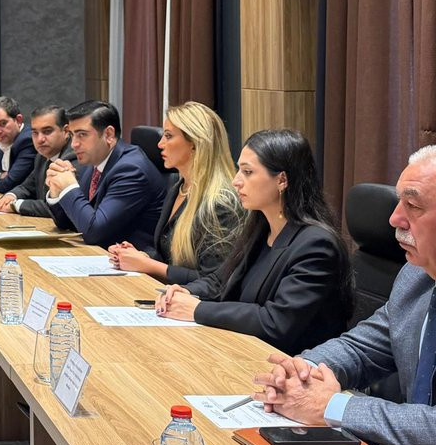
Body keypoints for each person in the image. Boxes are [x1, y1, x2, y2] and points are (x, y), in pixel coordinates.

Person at [251, 145, 436, 445]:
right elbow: (360, 348)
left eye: (413, 205)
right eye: (398, 202)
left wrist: (334, 407)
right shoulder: (415, 277)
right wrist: (302, 372)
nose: (394, 218)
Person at [156, 128, 354, 353]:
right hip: (247, 350)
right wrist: (184, 292)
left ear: (282, 180)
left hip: (292, 363)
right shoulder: (261, 226)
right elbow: (221, 281)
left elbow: (275, 322)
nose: (236, 181)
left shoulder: (317, 245)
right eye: (239, 170)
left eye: (248, 172)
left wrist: (197, 309)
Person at [108, 102, 243, 284]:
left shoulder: (221, 203)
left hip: (193, 300)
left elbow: (214, 281)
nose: (160, 144)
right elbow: (170, 258)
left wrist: (148, 265)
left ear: (194, 144)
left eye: (168, 136)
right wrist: (140, 257)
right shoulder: (178, 188)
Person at [45, 100, 165, 250]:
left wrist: (69, 188)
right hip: (102, 254)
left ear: (109, 134)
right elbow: (69, 223)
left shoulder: (131, 170)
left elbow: (94, 233)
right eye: (72, 135)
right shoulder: (95, 162)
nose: (74, 144)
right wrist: (58, 191)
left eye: (82, 134)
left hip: (132, 259)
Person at [0, 106, 77, 217]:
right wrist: (11, 196)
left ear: (66, 131)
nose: (40, 139)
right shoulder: (41, 157)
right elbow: (26, 187)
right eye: (35, 133)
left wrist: (16, 205)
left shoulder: (73, 159)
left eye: (47, 131)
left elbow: (58, 207)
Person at [0, 96, 36, 194]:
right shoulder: (1, 140)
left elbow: (11, 183)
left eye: (2, 124)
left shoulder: (28, 140)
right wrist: (2, 176)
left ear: (18, 120)